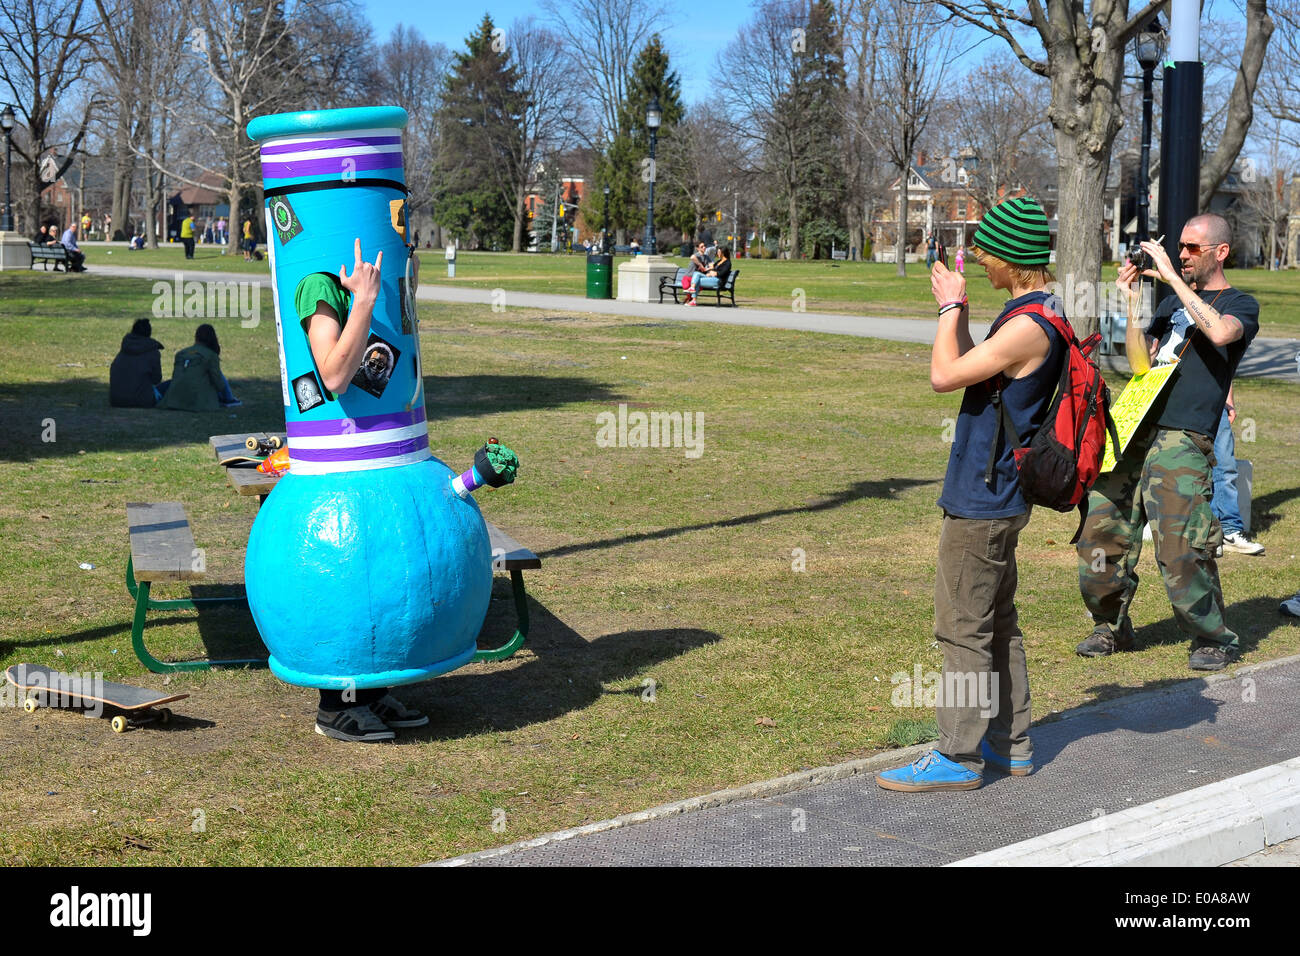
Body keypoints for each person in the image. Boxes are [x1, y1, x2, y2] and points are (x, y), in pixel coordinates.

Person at [875, 197, 1064, 793]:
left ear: (1013, 260)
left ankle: (958, 755)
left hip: (983, 501)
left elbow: (941, 375)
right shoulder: (1039, 312)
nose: (982, 263)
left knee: (962, 627)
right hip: (1001, 495)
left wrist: (950, 306)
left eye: (988, 255)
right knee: (997, 623)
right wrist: (958, 308)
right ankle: (1012, 744)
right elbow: (964, 364)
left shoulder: (1026, 327)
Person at [1075, 213, 1259, 671]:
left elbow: (1219, 333)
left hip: (1183, 434)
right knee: (1100, 533)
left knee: (1180, 544)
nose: (1181, 255)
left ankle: (1210, 637)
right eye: (1179, 247)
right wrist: (1135, 301)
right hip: (1134, 425)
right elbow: (1140, 363)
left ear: (1220, 252)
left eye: (1192, 248)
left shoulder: (1240, 303)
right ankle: (1109, 625)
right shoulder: (1169, 306)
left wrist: (1175, 280)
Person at [296, 238, 428, 742]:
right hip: (338, 462)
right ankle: (336, 707)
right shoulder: (317, 285)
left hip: (384, 455)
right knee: (347, 575)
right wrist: (366, 301)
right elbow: (332, 375)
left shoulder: (364, 281)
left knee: (384, 573)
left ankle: (371, 693)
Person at [1211, 384, 1264, 555]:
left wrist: (1228, 399)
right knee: (1197, 469)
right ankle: (1209, 536)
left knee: (1226, 467)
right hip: (1184, 400)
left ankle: (1230, 532)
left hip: (1216, 399)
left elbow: (1226, 361)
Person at [157, 324, 242, 411]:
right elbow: (218, 382)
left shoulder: (182, 353)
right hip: (198, 401)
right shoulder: (210, 355)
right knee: (219, 375)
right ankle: (230, 400)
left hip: (175, 399)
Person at [109, 319, 166, 407]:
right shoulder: (153, 352)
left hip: (117, 400)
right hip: (142, 401)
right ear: (149, 333)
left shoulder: (125, 349)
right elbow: (156, 379)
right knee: (171, 384)